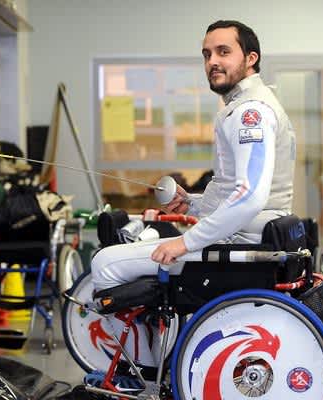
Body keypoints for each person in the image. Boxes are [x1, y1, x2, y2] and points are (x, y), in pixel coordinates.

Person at [90, 20, 296, 372]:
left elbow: (250, 197)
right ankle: (159, 350)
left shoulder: (250, 112)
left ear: (251, 58)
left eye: (223, 51)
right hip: (246, 234)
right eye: (206, 54)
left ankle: (147, 372)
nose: (212, 61)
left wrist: (184, 244)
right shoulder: (244, 104)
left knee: (104, 263)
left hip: (240, 243)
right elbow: (234, 186)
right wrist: (195, 203)